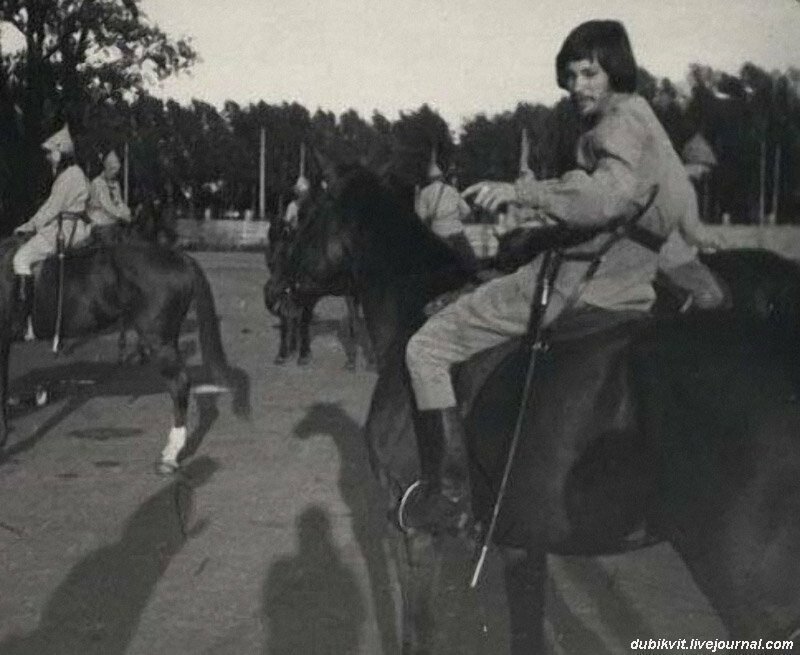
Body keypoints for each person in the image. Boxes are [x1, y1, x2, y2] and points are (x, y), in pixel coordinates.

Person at [403, 20, 726, 533]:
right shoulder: (650, 125)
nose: (578, 86)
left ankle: (449, 496)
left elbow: (605, 199)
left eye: (590, 72)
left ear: (615, 69)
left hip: (574, 289)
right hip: (633, 292)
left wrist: (522, 192)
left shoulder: (615, 125)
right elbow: (666, 210)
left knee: (425, 348)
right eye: (572, 74)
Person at [13, 124, 90, 320]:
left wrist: (28, 226)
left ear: (59, 153)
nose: (48, 157)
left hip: (64, 231)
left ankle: (24, 318)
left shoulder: (67, 176)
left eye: (50, 153)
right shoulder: (78, 173)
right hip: (77, 228)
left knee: (20, 259)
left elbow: (52, 208)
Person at [415, 156, 477, 267]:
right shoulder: (452, 190)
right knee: (469, 259)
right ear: (441, 177)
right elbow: (466, 211)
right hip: (456, 230)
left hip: (438, 231)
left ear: (430, 179)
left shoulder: (424, 193)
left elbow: (422, 217)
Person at [87, 149, 132, 244]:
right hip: (100, 224)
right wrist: (123, 215)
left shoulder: (115, 184)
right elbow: (107, 206)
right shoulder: (97, 183)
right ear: (106, 167)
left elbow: (119, 202)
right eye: (112, 170)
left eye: (116, 171)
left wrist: (127, 211)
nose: (114, 173)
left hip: (113, 223)